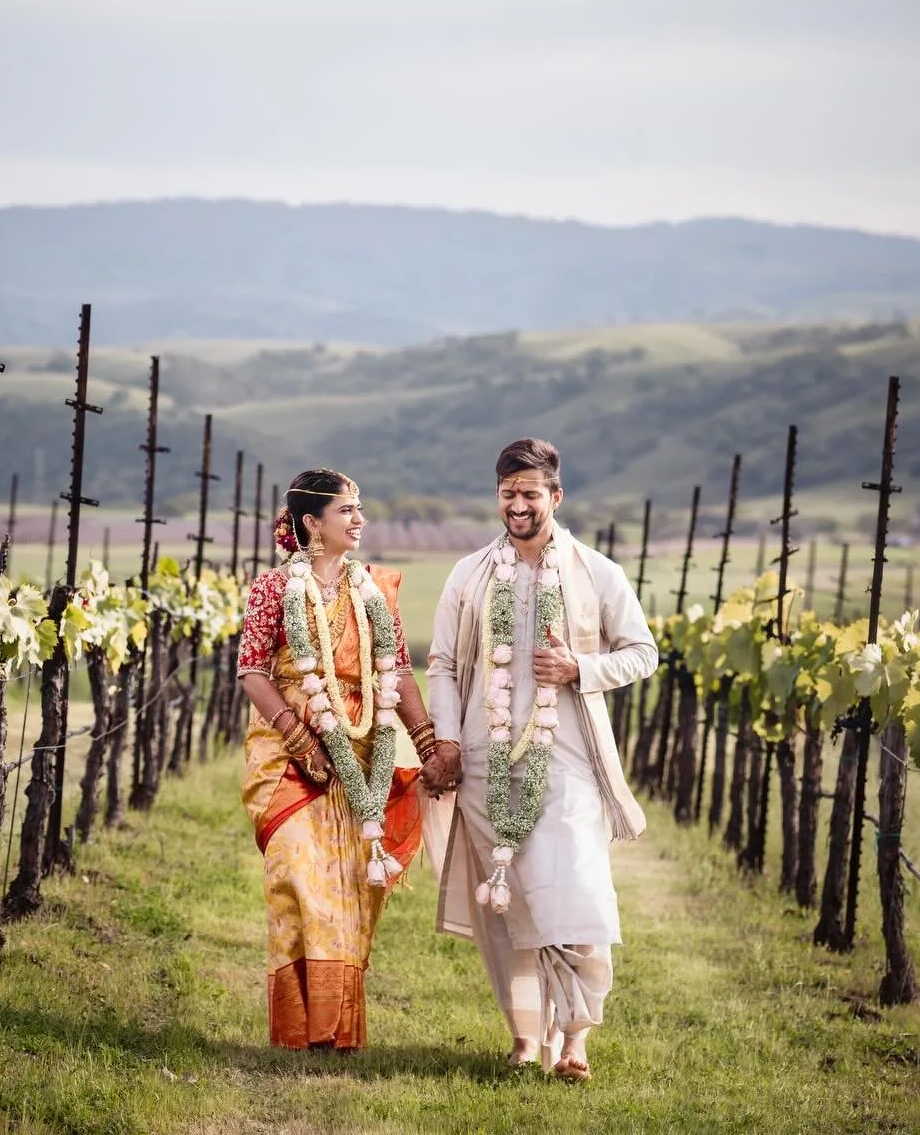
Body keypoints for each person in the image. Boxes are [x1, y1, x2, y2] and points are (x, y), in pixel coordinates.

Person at [420, 437, 657, 1079]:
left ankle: (575, 1038)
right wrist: (447, 741)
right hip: (484, 761)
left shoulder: (596, 571)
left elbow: (643, 652)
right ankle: (526, 1037)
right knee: (508, 907)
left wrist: (580, 667)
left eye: (530, 493)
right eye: (508, 493)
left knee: (576, 891)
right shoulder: (469, 574)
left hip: (567, 761)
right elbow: (442, 664)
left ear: (556, 496)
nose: (518, 505)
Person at [237, 467, 434, 1049]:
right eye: (346, 509)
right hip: (287, 756)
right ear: (312, 522)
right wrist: (300, 737)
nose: (359, 519)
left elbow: (398, 671)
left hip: (360, 750)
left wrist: (426, 741)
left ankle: (335, 1029)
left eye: (358, 508)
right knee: (298, 876)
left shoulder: (375, 590)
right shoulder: (274, 588)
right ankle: (300, 1027)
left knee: (349, 887)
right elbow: (252, 672)